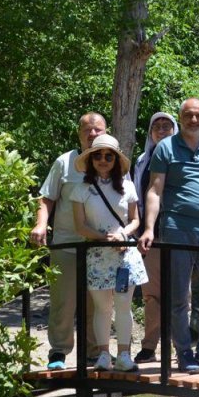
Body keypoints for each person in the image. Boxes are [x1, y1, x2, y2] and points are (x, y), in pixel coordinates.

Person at [137, 98, 199, 374]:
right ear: (181, 118)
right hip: (176, 227)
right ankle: (184, 353)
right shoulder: (166, 148)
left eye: (198, 116)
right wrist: (148, 228)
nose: (193, 120)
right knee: (178, 296)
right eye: (188, 115)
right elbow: (154, 191)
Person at [31, 112, 106, 371]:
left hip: (101, 247)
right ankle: (59, 352)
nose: (93, 134)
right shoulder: (64, 162)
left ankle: (93, 354)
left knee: (97, 302)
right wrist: (41, 224)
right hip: (66, 244)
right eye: (88, 130)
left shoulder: (112, 161)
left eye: (98, 130)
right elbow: (46, 197)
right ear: (79, 133)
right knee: (63, 301)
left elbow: (127, 200)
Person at [69, 134, 149, 372]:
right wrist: (105, 238)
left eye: (108, 156)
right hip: (97, 254)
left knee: (123, 305)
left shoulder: (128, 187)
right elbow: (80, 225)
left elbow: (136, 220)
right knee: (102, 308)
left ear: (116, 160)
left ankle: (124, 354)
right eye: (98, 155)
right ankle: (104, 354)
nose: (103, 160)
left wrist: (122, 234)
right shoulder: (80, 188)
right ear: (91, 159)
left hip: (124, 255)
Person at [131, 111, 179, 363]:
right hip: (150, 237)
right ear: (150, 133)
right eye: (157, 126)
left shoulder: (183, 157)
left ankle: (179, 347)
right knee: (151, 294)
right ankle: (150, 346)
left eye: (167, 126)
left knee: (181, 293)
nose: (161, 130)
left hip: (178, 235)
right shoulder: (141, 161)